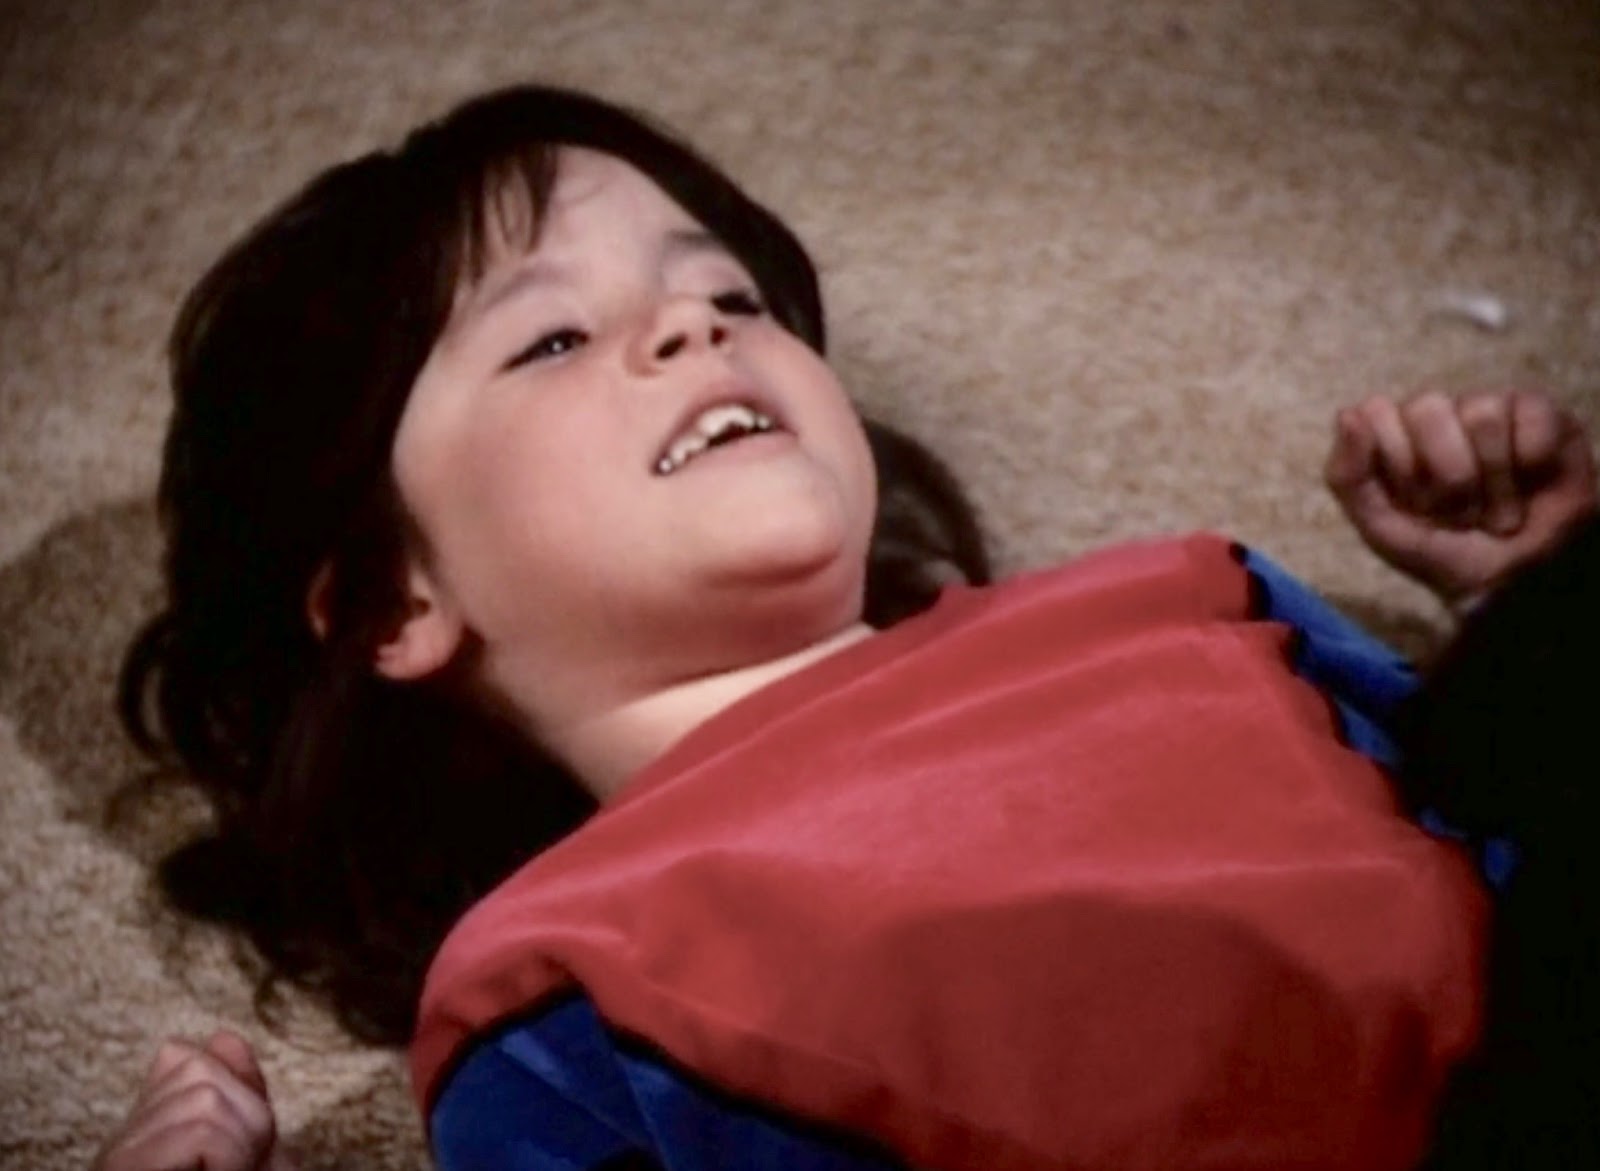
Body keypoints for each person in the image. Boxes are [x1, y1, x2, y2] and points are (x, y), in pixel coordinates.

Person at [94, 83, 1596, 1171]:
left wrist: (1519, 603)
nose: (697, 324)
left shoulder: (1189, 590)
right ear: (389, 600)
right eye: (551, 337)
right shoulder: (555, 988)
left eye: (732, 294)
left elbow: (1508, 815)